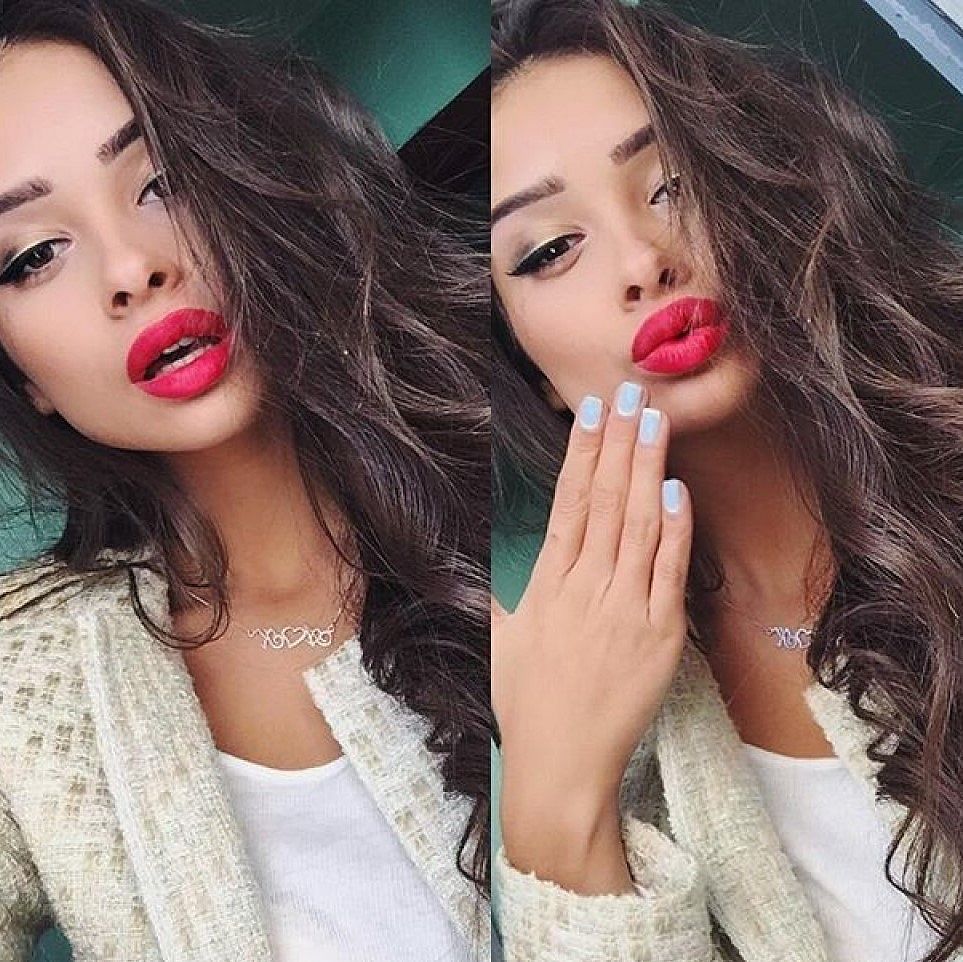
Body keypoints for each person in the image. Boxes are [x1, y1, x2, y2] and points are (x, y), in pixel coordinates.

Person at [0, 0, 490, 959]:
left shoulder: (523, 504)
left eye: (162, 182)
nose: (132, 269)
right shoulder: (24, 683)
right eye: (33, 255)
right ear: (25, 381)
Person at [490, 1, 963, 960]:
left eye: (669, 185)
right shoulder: (620, 725)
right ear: (529, 370)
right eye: (549, 250)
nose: (643, 260)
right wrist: (553, 807)